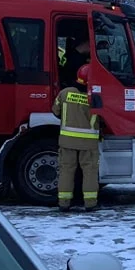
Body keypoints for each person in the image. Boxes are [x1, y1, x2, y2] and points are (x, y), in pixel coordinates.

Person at [52, 64, 100, 212]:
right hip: (89, 142)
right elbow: (103, 118)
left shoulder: (65, 93)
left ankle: (64, 203)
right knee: (90, 172)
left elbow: (55, 111)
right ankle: (90, 204)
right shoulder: (96, 98)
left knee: (66, 171)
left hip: (67, 141)